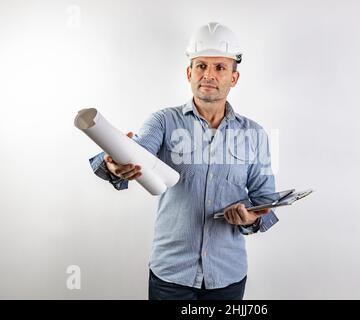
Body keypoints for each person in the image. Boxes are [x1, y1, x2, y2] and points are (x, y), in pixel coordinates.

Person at [89, 22, 279, 300]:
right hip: (171, 276)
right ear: (189, 73)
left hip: (227, 277)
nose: (209, 75)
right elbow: (133, 154)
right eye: (201, 66)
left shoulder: (255, 135)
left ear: (234, 78)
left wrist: (250, 219)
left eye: (220, 68)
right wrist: (114, 164)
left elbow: (266, 200)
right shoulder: (163, 122)